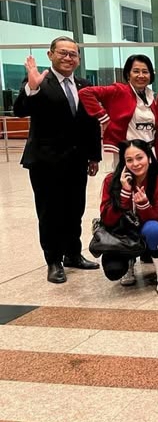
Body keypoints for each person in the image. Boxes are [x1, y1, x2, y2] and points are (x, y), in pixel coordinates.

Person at [13, 37, 102, 284]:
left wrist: (94, 156)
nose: (68, 58)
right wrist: (32, 88)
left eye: (73, 54)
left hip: (76, 160)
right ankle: (53, 261)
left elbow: (91, 122)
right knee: (50, 212)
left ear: (79, 59)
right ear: (50, 54)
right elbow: (20, 110)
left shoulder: (84, 85)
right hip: (46, 162)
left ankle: (73, 254)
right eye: (62, 53)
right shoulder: (40, 81)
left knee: (75, 209)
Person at [99, 140, 158, 293]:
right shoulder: (111, 181)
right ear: (124, 162)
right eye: (129, 160)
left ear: (149, 158)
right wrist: (125, 193)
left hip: (146, 231)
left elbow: (156, 218)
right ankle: (128, 263)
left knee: (154, 229)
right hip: (120, 233)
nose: (136, 164)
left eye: (140, 158)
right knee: (113, 270)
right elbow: (108, 220)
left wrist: (144, 204)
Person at [78, 54, 156, 170]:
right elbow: (85, 93)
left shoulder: (150, 96)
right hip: (127, 153)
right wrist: (103, 117)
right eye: (136, 71)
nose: (141, 75)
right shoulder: (119, 90)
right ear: (128, 74)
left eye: (145, 72)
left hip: (149, 151)